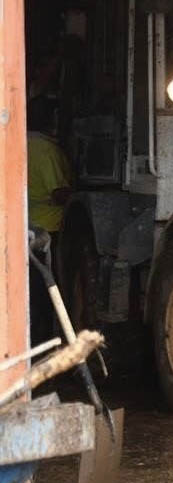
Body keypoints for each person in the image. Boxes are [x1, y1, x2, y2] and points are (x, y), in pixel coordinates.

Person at [26, 95, 72, 344]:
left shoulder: (20, 142)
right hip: (49, 230)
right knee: (48, 290)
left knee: (31, 291)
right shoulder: (46, 149)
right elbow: (57, 193)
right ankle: (46, 342)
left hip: (28, 225)